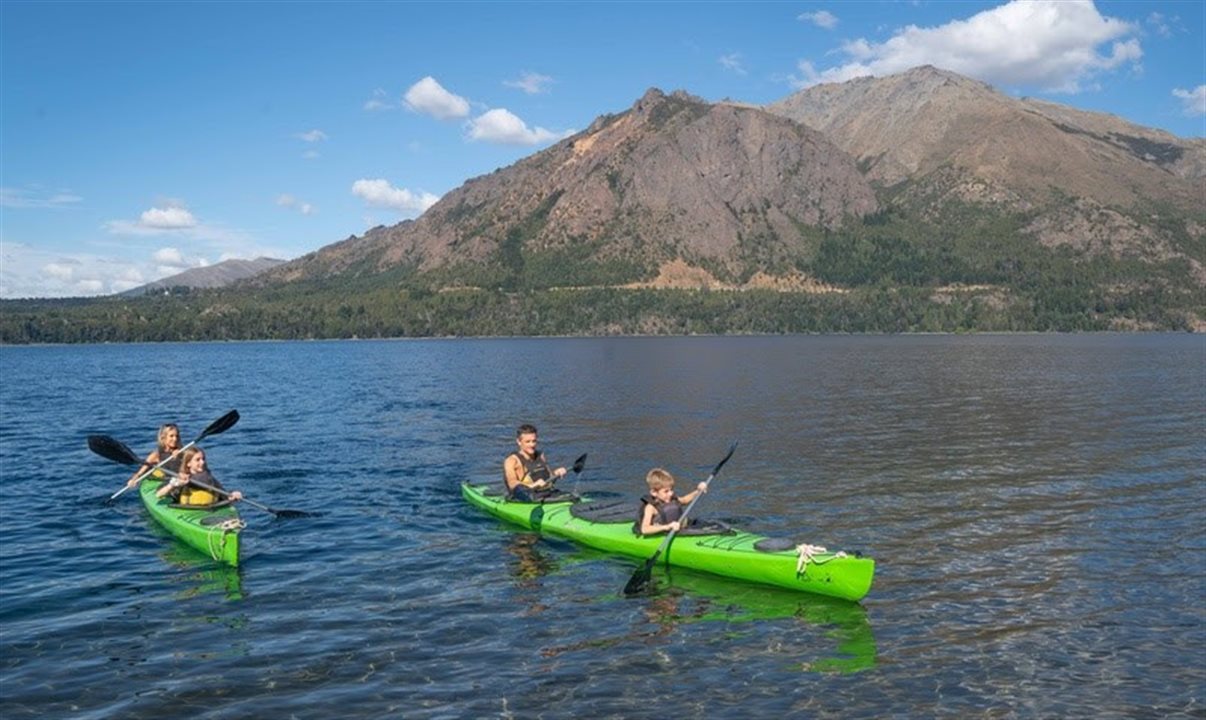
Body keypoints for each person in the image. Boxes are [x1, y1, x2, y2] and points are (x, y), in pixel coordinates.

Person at [156, 446, 243, 506]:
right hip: (188, 511)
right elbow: (159, 494)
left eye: (203, 459)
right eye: (198, 460)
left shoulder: (209, 478)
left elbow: (225, 495)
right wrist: (174, 484)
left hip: (210, 510)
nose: (202, 462)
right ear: (189, 463)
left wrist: (233, 495)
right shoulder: (182, 478)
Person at [503, 423, 567, 502]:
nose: (532, 445)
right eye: (528, 442)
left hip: (546, 493)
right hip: (525, 497)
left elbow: (547, 479)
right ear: (519, 442)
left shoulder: (540, 455)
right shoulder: (512, 460)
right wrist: (532, 485)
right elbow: (512, 484)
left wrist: (556, 474)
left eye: (534, 441)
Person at [634, 468, 707, 536]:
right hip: (663, 533)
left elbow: (685, 500)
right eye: (666, 491)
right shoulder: (651, 507)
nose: (671, 493)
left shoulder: (672, 499)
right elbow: (645, 529)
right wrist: (667, 527)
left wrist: (698, 491)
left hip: (681, 531)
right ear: (654, 492)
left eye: (671, 489)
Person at [126, 423, 183, 487]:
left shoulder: (183, 452)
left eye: (177, 436)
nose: (175, 439)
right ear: (163, 437)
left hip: (177, 484)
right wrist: (133, 479)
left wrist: (181, 455)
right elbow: (140, 472)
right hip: (159, 486)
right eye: (171, 436)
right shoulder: (156, 455)